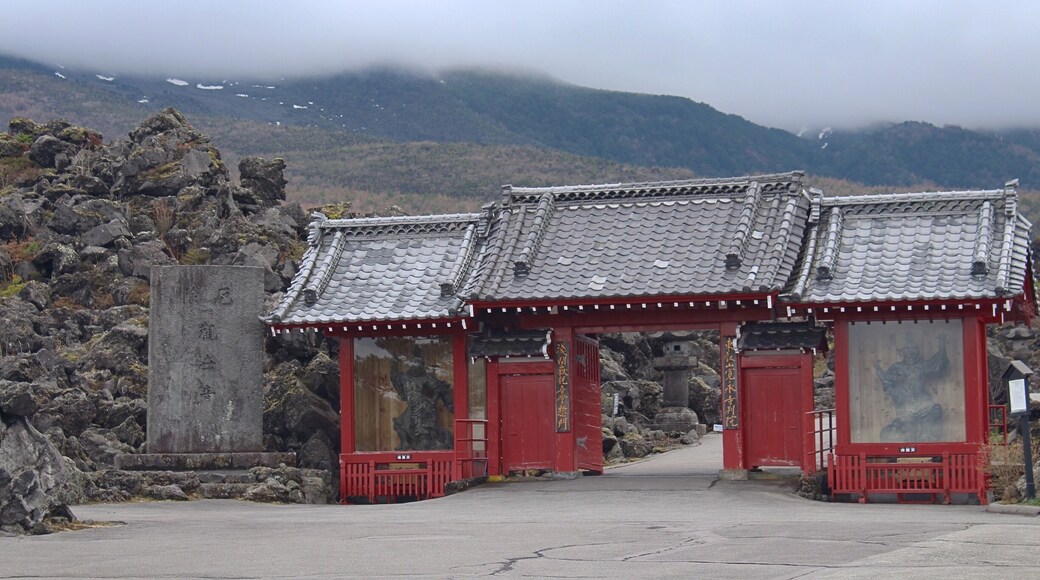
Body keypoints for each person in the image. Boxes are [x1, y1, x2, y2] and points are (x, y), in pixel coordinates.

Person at [874, 335, 948, 442]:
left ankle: (925, 443)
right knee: (906, 429)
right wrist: (895, 393)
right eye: (907, 349)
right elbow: (887, 380)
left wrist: (942, 343)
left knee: (933, 415)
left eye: (913, 349)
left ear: (917, 351)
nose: (910, 352)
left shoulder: (921, 365)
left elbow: (938, 363)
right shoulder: (897, 367)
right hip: (904, 406)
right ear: (902, 352)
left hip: (923, 403)